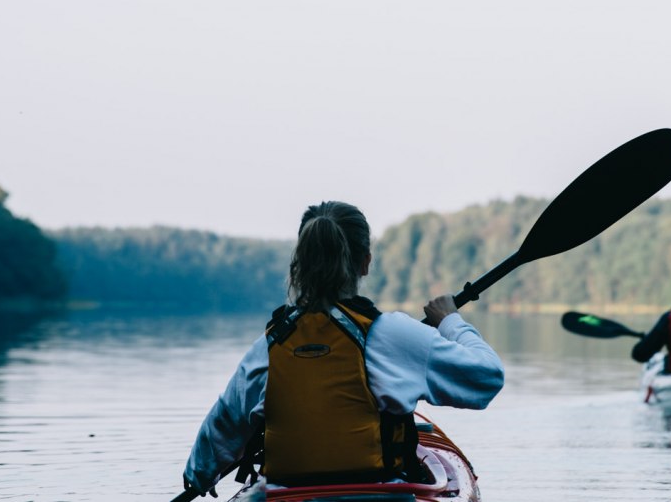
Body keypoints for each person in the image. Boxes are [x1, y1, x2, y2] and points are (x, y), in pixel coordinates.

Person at [179, 201, 505, 497]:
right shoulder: (393, 335)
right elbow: (486, 378)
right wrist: (449, 321)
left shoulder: (268, 348)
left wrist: (199, 477)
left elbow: (214, 441)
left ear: (301, 263)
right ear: (365, 263)